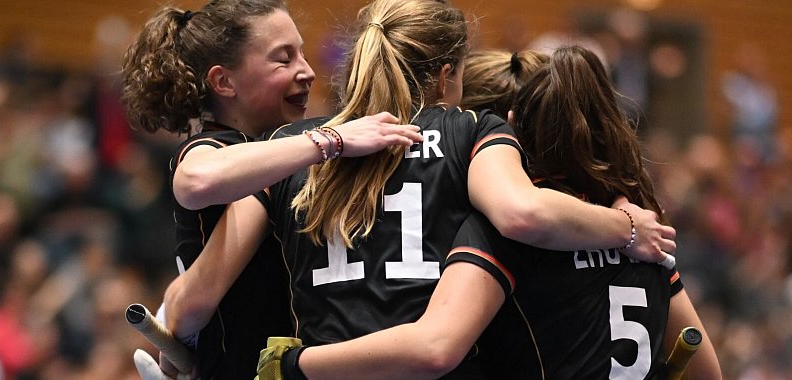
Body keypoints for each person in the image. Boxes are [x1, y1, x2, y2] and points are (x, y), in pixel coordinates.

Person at [261, 46, 720, 379]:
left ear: (511, 134)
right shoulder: (647, 233)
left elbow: (435, 346)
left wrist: (292, 364)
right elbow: (706, 371)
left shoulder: (517, 230)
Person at [119, 1, 423, 378]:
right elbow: (195, 181)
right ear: (223, 82)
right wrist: (331, 139)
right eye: (284, 59)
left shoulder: (276, 149)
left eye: (303, 54)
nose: (308, 72)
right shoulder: (213, 145)